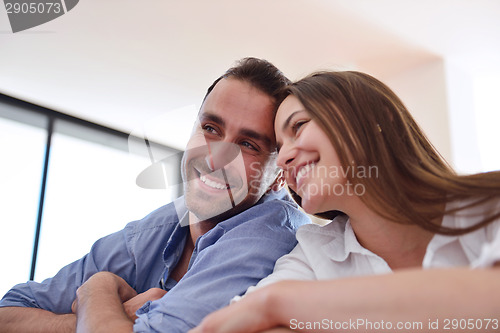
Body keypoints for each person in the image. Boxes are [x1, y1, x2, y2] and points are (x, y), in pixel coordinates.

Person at [0, 58, 311, 332]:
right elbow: (9, 312)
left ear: (278, 178)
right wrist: (112, 317)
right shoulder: (159, 227)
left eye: (247, 145)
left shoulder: (270, 235)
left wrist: (97, 290)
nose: (215, 158)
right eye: (211, 128)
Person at [190, 71, 500, 333]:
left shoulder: (491, 205)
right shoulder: (314, 253)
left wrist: (276, 303)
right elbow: (235, 323)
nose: (283, 157)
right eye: (280, 146)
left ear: (378, 120)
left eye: (298, 126)